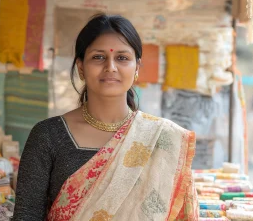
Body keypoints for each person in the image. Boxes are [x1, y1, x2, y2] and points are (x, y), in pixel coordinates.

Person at [13, 14, 199, 221]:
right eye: (98, 57)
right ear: (81, 67)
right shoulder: (47, 135)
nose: (111, 67)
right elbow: (26, 215)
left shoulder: (164, 138)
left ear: (137, 67)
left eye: (122, 58)